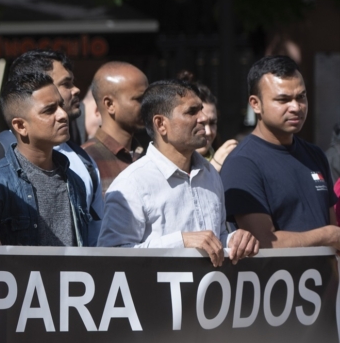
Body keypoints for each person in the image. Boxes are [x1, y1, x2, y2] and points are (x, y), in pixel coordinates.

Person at [98, 80, 259, 267]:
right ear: (161, 124)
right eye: (192, 112)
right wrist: (181, 242)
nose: (202, 118)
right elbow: (112, 257)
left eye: (201, 109)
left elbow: (215, 239)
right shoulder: (131, 184)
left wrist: (234, 240)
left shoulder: (209, 174)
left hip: (209, 293)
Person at [0, 50, 104, 244]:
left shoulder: (76, 175)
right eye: (49, 110)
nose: (62, 115)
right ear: (20, 126)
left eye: (60, 105)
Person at [221, 56, 340, 250]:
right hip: (277, 279)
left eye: (301, 97)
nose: (296, 107)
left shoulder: (315, 155)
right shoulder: (242, 163)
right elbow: (263, 242)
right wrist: (327, 235)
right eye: (283, 99)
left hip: (326, 279)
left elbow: (333, 230)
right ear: (255, 104)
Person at [83, 61, 150, 192]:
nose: (147, 105)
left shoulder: (151, 155)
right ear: (110, 105)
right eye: (139, 99)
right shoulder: (84, 160)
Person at [176, 70, 238, 172]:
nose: (208, 132)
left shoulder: (226, 158)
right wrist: (213, 168)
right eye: (200, 123)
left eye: (212, 123)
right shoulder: (165, 166)